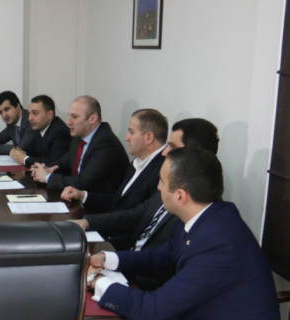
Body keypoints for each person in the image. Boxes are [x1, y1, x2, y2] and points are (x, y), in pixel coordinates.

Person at [87, 147, 284, 320]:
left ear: (180, 196)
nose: (158, 186)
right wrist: (106, 259)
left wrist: (95, 281)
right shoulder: (207, 216)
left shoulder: (219, 244)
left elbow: (150, 310)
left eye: (162, 181)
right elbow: (160, 257)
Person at [71, 118, 219, 257]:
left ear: (195, 153)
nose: (165, 152)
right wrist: (87, 222)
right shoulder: (172, 184)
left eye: (173, 147)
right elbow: (136, 215)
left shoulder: (196, 206)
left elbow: (162, 260)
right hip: (129, 257)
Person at [61, 109, 168, 215]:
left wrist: (88, 222)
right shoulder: (137, 162)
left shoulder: (162, 171)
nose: (127, 138)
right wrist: (82, 195)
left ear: (149, 137)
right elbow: (117, 202)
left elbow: (137, 216)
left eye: (131, 132)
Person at [30, 95, 129, 193]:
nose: (68, 122)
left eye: (74, 117)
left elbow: (84, 182)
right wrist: (48, 169)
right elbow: (64, 163)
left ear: (93, 119)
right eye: (69, 116)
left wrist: (47, 177)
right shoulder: (79, 137)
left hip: (100, 200)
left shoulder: (106, 144)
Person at [7, 95, 70, 166]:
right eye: (29, 113)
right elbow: (33, 151)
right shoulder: (39, 127)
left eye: (35, 113)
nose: (30, 118)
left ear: (49, 114)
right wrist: (19, 153)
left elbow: (54, 164)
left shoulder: (60, 132)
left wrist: (25, 159)